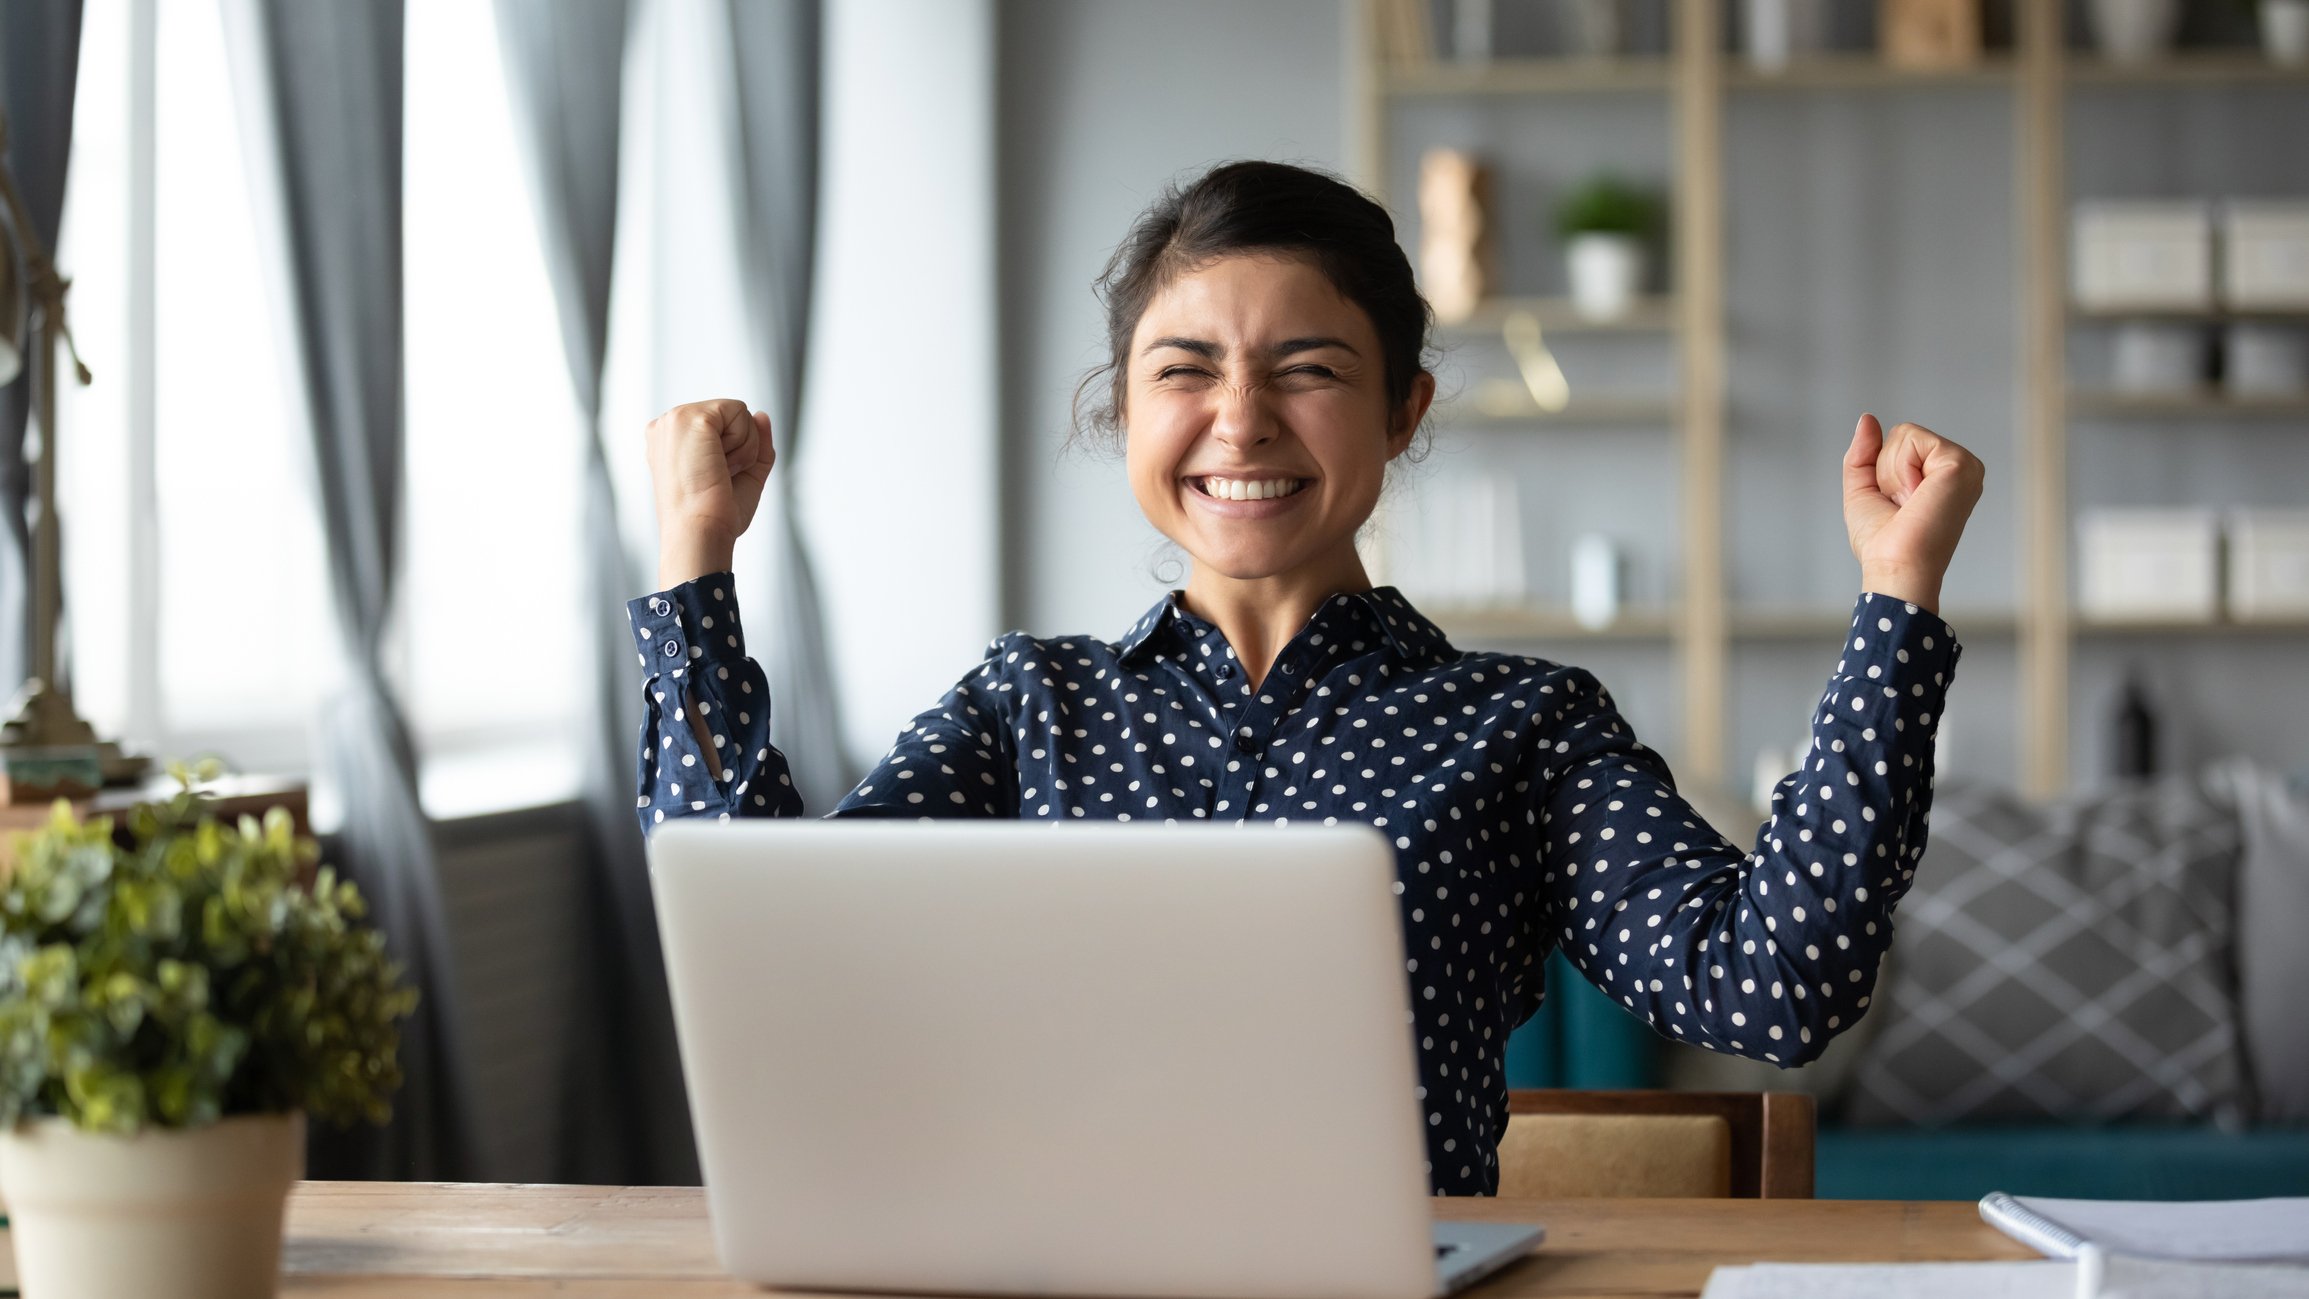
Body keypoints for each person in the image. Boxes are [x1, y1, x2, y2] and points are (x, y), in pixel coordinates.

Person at [628, 160, 1985, 1195]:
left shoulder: (1522, 726)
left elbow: (1775, 987)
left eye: (1307, 369)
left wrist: (1894, 604)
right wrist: (696, 564)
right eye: (1186, 371)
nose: (1241, 420)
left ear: (1403, 408)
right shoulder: (1025, 707)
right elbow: (775, 955)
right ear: (1125, 408)